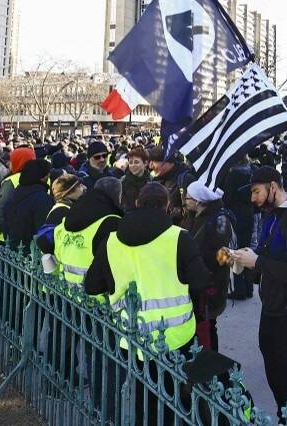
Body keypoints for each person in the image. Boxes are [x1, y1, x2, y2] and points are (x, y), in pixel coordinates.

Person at [85, 182, 209, 425]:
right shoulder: (179, 238)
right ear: (167, 207)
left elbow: (92, 285)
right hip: (176, 337)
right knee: (177, 402)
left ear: (137, 204)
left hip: (131, 336)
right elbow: (200, 280)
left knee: (143, 398)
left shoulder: (111, 241)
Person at [229, 166, 287, 425]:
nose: (253, 198)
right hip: (273, 308)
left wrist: (258, 263)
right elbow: (267, 258)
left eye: (256, 191)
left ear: (273, 187)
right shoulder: (272, 215)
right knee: (277, 379)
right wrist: (244, 260)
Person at [181, 181, 234, 352]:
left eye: (187, 197)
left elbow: (223, 256)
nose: (184, 201)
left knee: (209, 327)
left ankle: (212, 367)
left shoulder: (220, 220)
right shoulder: (193, 215)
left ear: (198, 200)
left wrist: (196, 259)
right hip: (196, 282)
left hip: (211, 284)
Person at [2, 159, 55, 252]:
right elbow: (43, 230)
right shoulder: (42, 199)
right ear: (42, 177)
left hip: (13, 249)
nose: (49, 177)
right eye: (47, 174)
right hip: (31, 254)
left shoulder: (16, 192)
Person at [222, 153, 254, 301]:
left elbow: (227, 197)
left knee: (235, 251)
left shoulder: (233, 175)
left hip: (235, 214)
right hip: (249, 213)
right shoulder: (251, 172)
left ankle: (239, 288)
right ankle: (248, 287)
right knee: (246, 249)